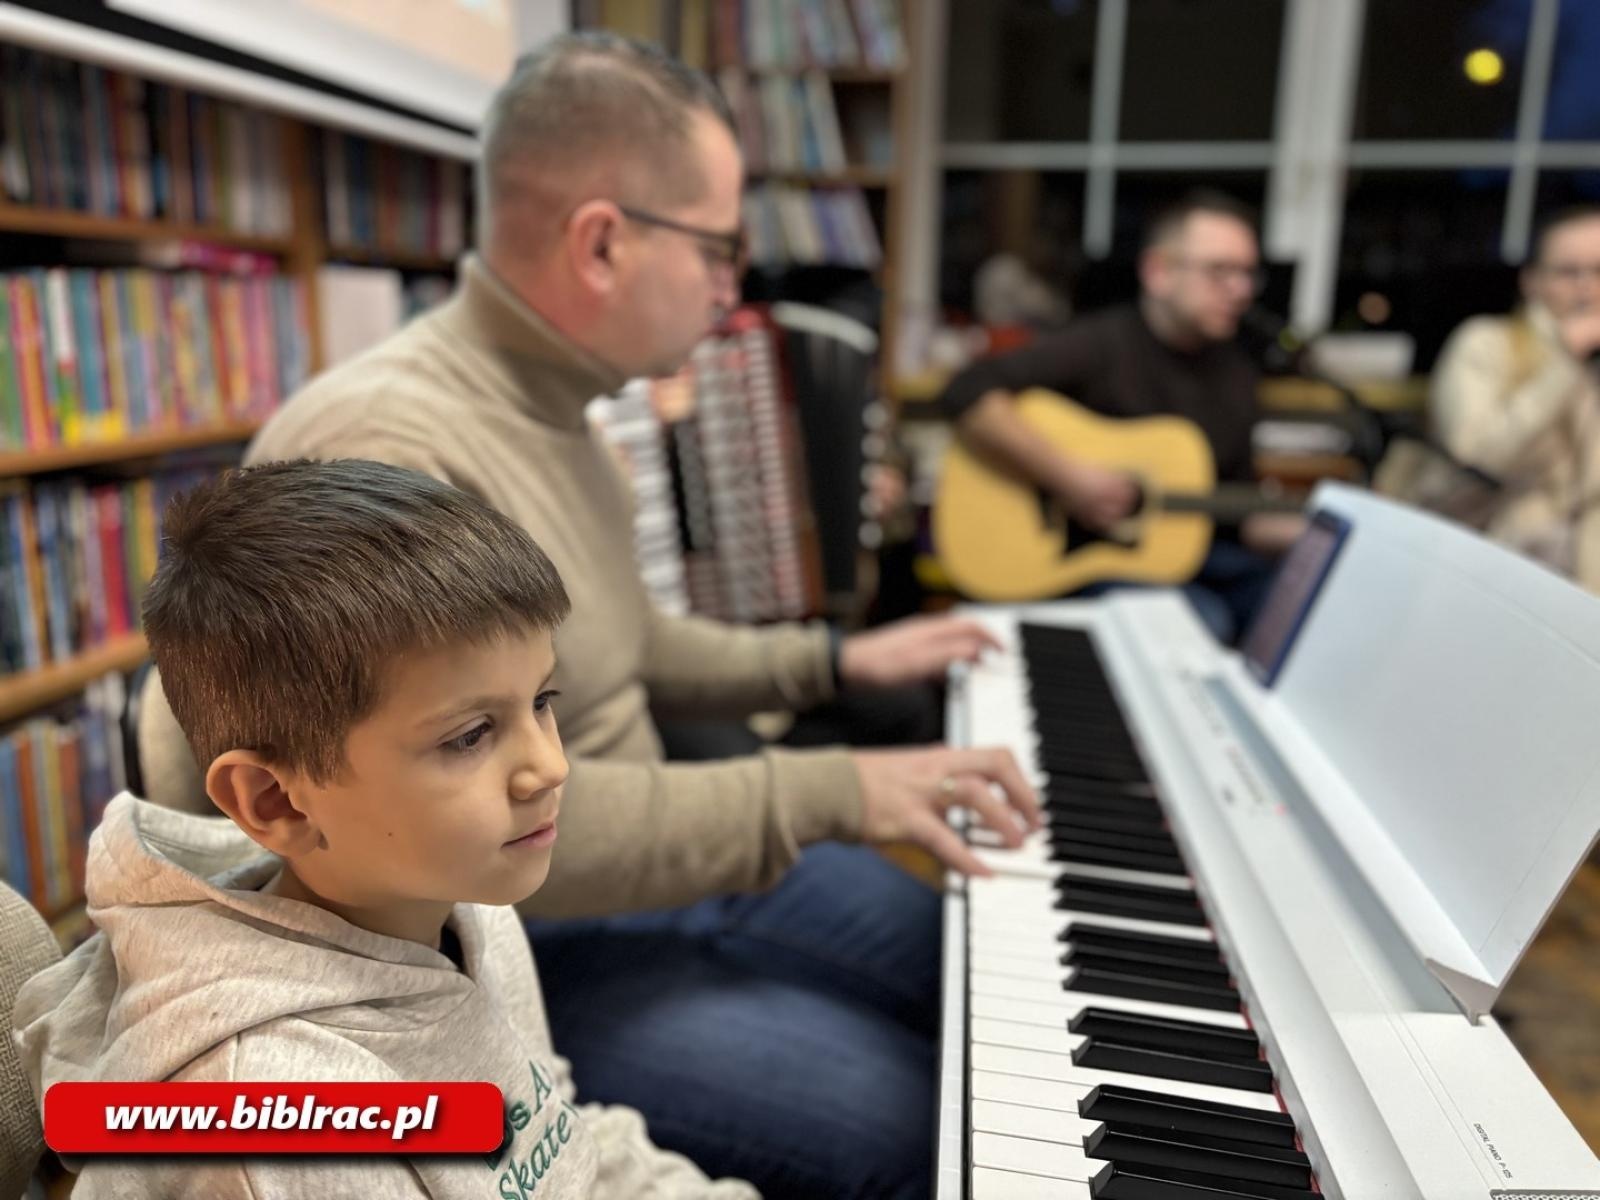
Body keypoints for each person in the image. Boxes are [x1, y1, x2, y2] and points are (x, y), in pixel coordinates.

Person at [135, 32, 1038, 1200]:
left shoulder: (566, 412)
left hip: (600, 861)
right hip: (503, 929)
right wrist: (837, 788)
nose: (732, 285)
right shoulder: (393, 443)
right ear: (603, 242)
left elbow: (625, 647)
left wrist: (833, 659)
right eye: (718, 246)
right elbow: (450, 824)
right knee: (901, 1125)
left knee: (958, 965)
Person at [16, 458, 761, 1198]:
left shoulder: (460, 899)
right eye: (470, 735)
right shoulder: (276, 1128)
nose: (550, 767)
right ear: (275, 801)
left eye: (542, 699)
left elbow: (557, 1139)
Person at [939, 189, 1305, 642]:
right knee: (1200, 623)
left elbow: (1243, 507)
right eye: (1219, 271)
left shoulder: (1238, 374)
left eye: (1249, 274)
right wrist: (1068, 478)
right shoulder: (1101, 344)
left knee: (1295, 606)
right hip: (1084, 557)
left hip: (1191, 556)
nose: (1241, 290)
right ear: (1158, 272)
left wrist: (1313, 528)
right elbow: (966, 390)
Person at [1378, 204, 1600, 593]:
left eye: (1598, 272)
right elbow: (1479, 456)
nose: (1586, 287)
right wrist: (1565, 361)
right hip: (1487, 562)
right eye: (1568, 272)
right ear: (1532, 281)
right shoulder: (1488, 343)